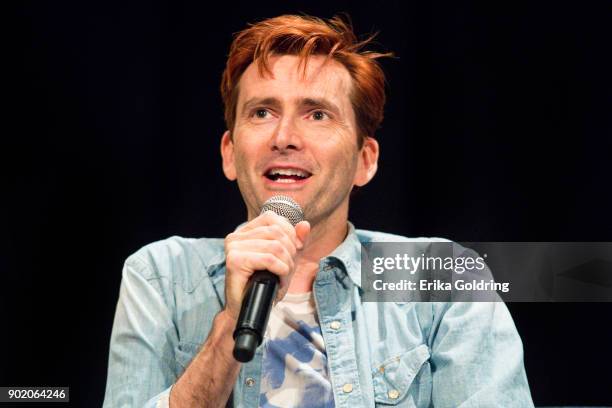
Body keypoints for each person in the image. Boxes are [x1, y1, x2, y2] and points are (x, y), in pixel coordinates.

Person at [103, 14, 534, 407]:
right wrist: (232, 321)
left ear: (365, 160)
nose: (284, 136)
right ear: (230, 153)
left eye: (317, 114)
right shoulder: (162, 275)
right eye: (262, 111)